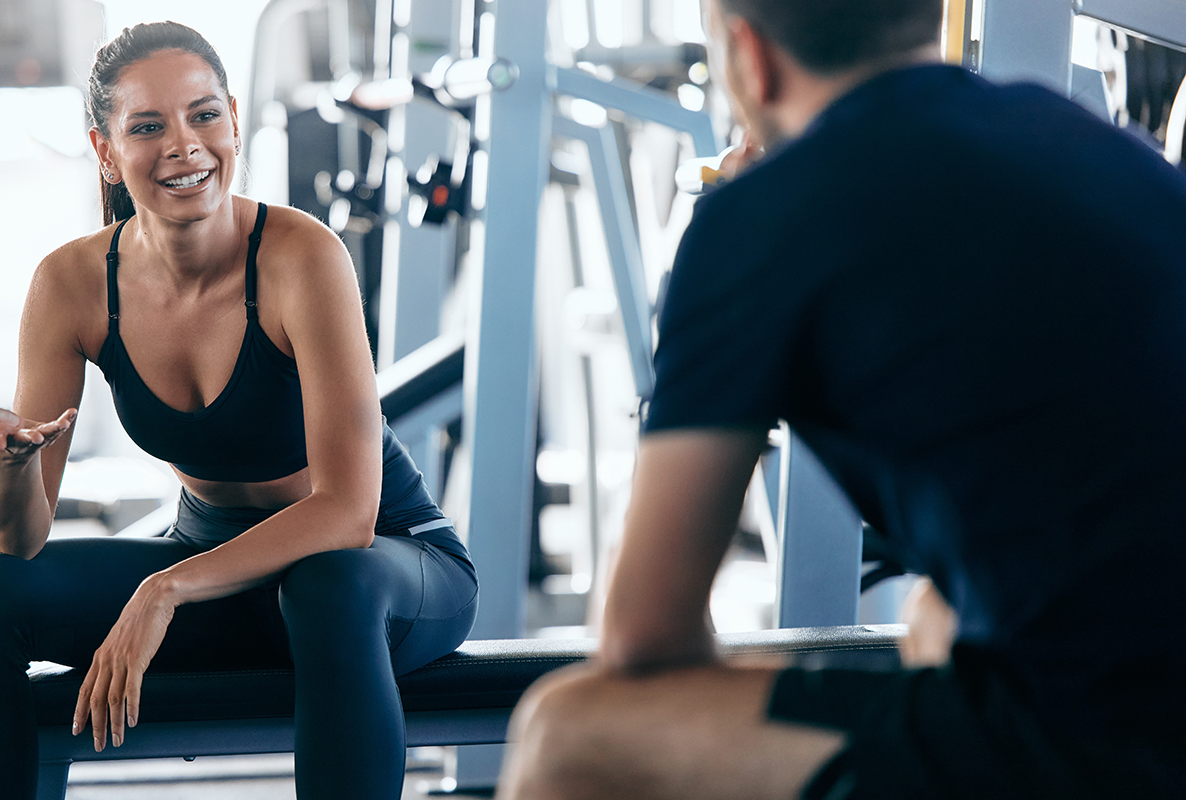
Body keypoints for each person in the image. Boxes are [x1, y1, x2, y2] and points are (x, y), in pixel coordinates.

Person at [498, 0, 1186, 798]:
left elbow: (643, 638)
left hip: (1114, 740)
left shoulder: (758, 218)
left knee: (571, 731)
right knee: (934, 618)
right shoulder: (1113, 155)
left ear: (748, 55)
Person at [0, 21, 477, 800]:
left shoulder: (302, 258)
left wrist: (167, 588)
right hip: (222, 575)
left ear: (234, 122)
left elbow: (349, 514)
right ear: (106, 149)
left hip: (381, 571)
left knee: (326, 588)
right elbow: (20, 538)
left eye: (204, 115)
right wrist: (9, 468)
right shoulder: (73, 284)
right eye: (148, 127)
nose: (185, 146)